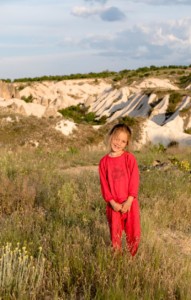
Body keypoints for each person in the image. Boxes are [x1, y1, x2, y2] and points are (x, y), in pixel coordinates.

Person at [99, 123, 141, 256]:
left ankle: (132, 258)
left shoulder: (129, 158)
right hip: (114, 205)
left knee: (133, 232)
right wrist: (112, 203)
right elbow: (104, 185)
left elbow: (134, 180)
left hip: (130, 203)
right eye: (116, 138)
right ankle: (117, 260)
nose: (118, 143)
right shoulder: (104, 162)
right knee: (115, 235)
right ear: (111, 137)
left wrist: (129, 201)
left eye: (123, 141)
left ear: (127, 143)